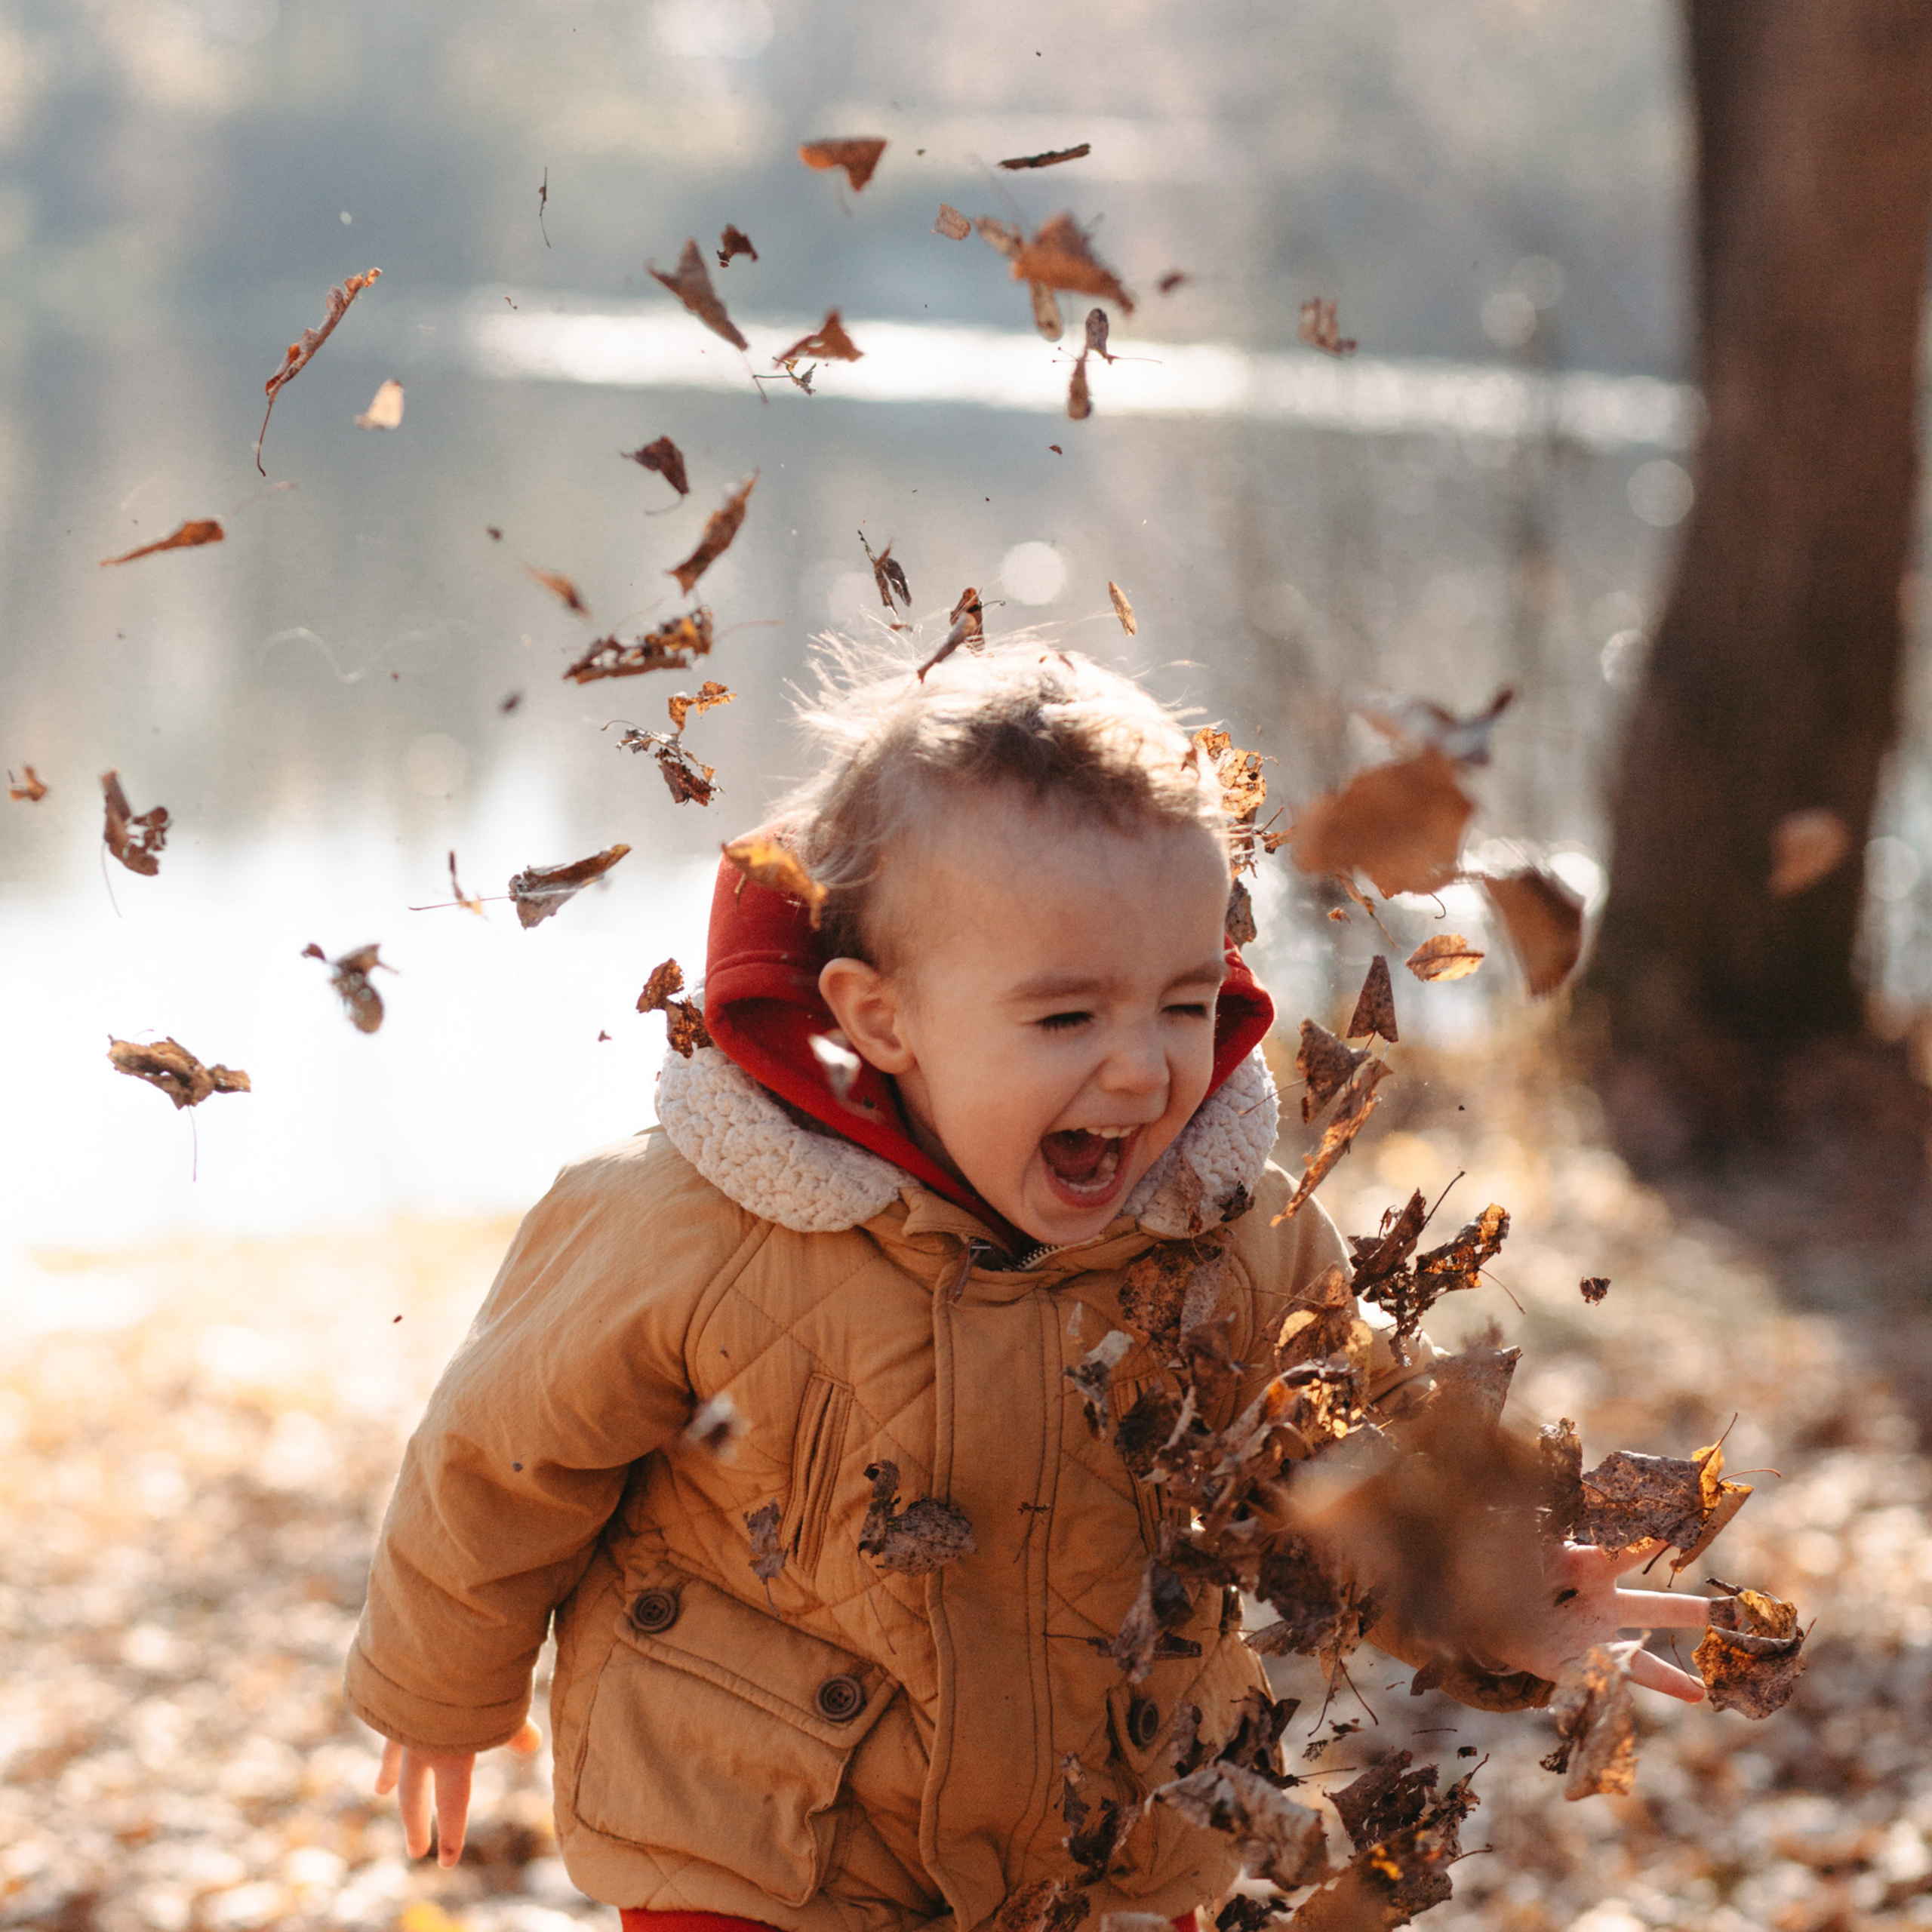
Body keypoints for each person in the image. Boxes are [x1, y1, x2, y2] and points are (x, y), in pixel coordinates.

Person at [346, 643, 1710, 1932]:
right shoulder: (696, 1218)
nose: (1140, 1069)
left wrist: (1502, 1588)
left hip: (1117, 1832)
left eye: (1183, 1003)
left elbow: (1361, 1469)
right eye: (1068, 1016)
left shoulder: (1234, 1240)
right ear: (882, 1016)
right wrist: (438, 1686)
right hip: (765, 1834)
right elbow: (500, 1452)